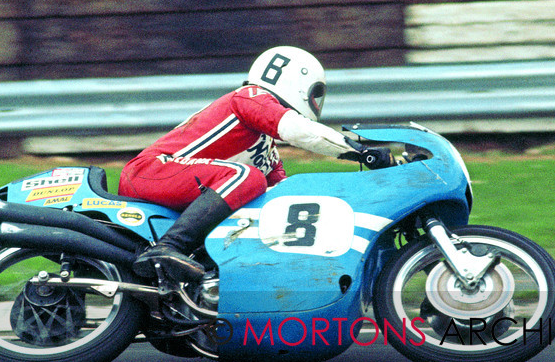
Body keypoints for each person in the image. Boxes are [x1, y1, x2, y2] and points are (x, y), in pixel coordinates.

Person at [118, 46, 392, 285]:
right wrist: (360, 151)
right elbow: (300, 131)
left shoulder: (266, 148)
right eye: (314, 93)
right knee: (248, 177)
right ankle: (169, 246)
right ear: (295, 82)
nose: (315, 102)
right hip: (149, 171)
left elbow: (284, 196)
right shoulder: (249, 97)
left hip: (166, 179)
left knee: (259, 198)